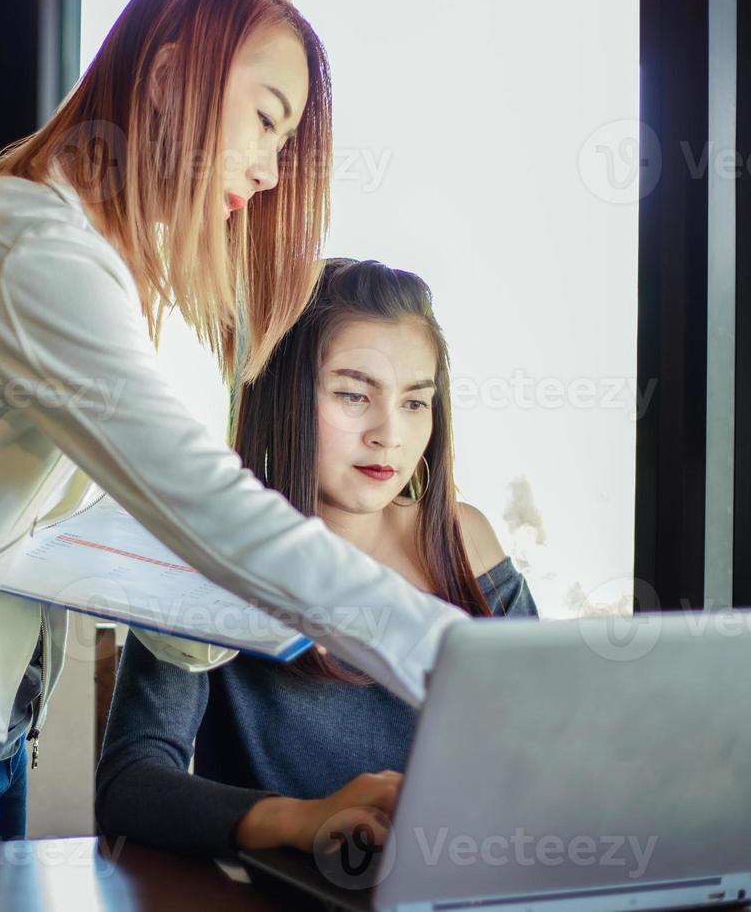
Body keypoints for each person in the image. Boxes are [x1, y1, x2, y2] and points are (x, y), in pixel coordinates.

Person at [0, 0, 472, 850]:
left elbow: (125, 515)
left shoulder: (114, 271)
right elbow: (196, 495)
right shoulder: (43, 257)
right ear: (169, 80)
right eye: (264, 121)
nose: (273, 170)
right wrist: (450, 655)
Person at [95, 258, 540, 858]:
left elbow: (541, 749)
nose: (390, 434)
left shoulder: (466, 543)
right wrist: (300, 821)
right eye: (355, 395)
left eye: (415, 403)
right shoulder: (204, 557)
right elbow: (130, 786)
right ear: (286, 398)